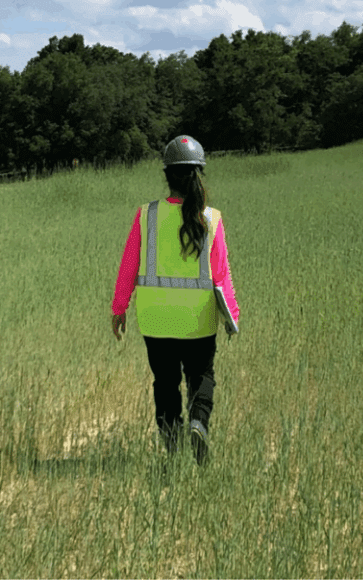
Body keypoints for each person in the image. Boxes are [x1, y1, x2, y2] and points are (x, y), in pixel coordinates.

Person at [110, 135, 240, 466]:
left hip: (156, 319)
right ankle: (198, 422)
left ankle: (172, 449)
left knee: (165, 385)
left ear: (167, 174)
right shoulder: (212, 218)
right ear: (198, 174)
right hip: (198, 320)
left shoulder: (146, 215)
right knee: (201, 377)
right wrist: (231, 318)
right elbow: (221, 275)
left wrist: (119, 308)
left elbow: (129, 265)